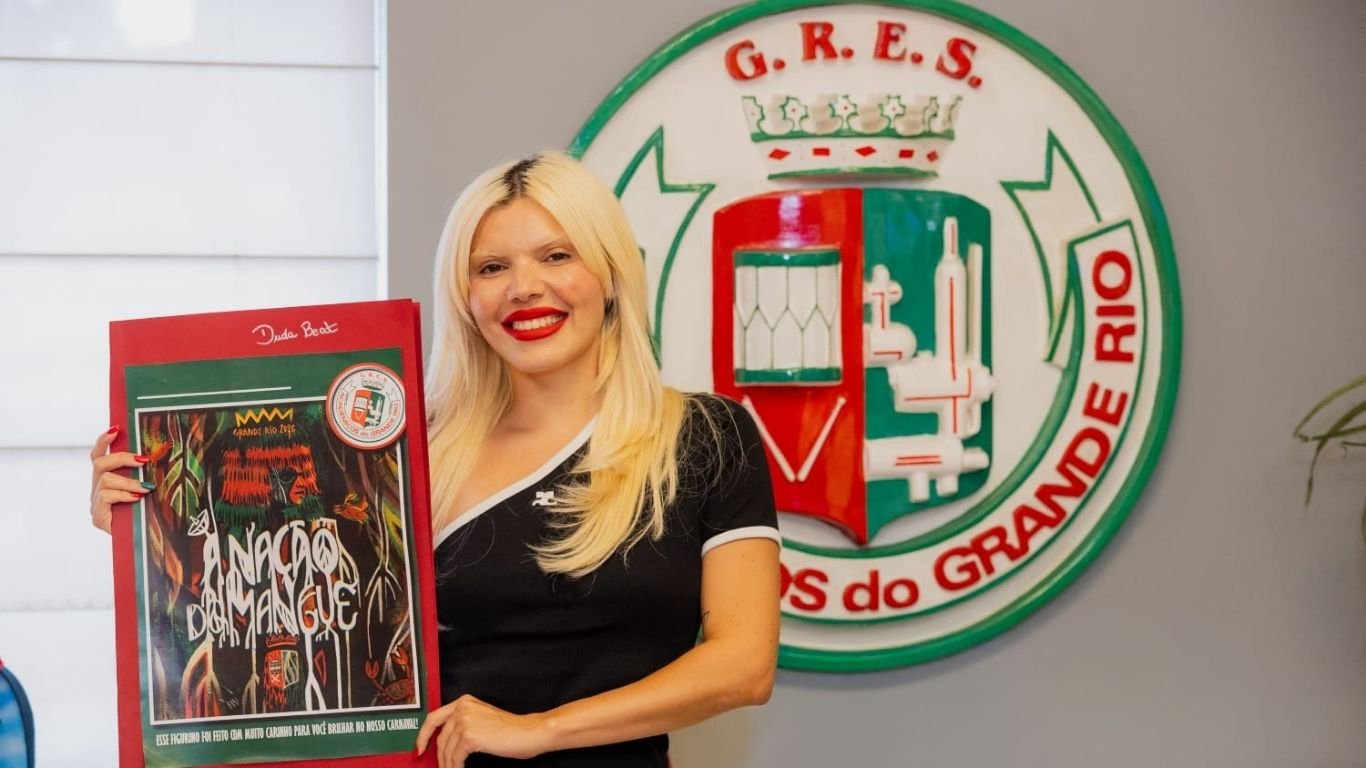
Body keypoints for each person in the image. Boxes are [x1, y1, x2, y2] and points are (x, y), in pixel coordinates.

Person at [91, 152, 782, 767]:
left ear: (610, 274)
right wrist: (146, 519)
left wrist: (539, 731)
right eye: (491, 268)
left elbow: (743, 665)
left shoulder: (704, 437)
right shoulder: (399, 447)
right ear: (466, 296)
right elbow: (268, 596)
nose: (523, 287)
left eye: (556, 256)